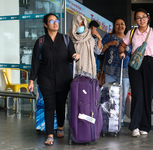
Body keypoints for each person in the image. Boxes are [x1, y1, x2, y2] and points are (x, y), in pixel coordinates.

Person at [28, 13, 79, 146]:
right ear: (45, 24)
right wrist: (31, 80)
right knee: (49, 105)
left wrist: (75, 56)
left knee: (61, 104)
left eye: (57, 20)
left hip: (64, 78)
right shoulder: (40, 41)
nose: (55, 23)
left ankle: (60, 127)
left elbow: (70, 57)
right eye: (51, 21)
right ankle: (50, 134)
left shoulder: (66, 39)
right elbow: (35, 62)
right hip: (45, 78)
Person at [119, 8, 153, 137]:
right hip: (135, 65)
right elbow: (122, 45)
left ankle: (145, 126)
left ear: (148, 18)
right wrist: (122, 52)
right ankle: (134, 126)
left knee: (148, 96)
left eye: (144, 17)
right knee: (138, 94)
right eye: (139, 17)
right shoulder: (132, 32)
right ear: (135, 20)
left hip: (151, 64)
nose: (141, 19)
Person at [101, 17, 132, 126]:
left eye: (122, 24)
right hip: (110, 71)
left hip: (124, 72)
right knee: (108, 96)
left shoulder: (130, 39)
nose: (120, 26)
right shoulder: (108, 37)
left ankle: (120, 119)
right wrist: (109, 44)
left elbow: (133, 53)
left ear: (125, 26)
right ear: (114, 26)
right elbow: (100, 50)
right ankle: (108, 118)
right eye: (117, 24)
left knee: (122, 98)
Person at [67, 14, 102, 78]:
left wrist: (99, 38)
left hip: (88, 71)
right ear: (74, 25)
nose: (81, 26)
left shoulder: (90, 36)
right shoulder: (68, 37)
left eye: (83, 24)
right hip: (73, 71)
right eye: (79, 24)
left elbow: (98, 51)